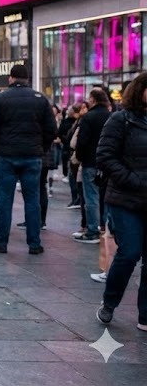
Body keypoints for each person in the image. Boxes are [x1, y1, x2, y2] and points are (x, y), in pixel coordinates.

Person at [0, 65, 57, 255]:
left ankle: (1, 242)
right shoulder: (40, 100)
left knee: (4, 200)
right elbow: (51, 128)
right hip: (32, 155)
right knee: (32, 200)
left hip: (7, 155)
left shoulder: (0, 99)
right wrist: (41, 147)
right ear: (27, 79)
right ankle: (34, 244)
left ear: (11, 78)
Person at [94, 72, 147, 330]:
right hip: (125, 197)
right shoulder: (121, 120)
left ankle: (145, 315)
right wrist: (132, 179)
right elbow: (104, 156)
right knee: (130, 252)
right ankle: (109, 303)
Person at [73, 88, 112, 244]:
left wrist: (80, 158)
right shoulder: (111, 116)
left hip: (90, 161)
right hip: (107, 163)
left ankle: (92, 230)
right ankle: (105, 227)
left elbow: (82, 142)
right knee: (105, 196)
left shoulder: (89, 117)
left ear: (94, 99)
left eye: (89, 98)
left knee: (91, 197)